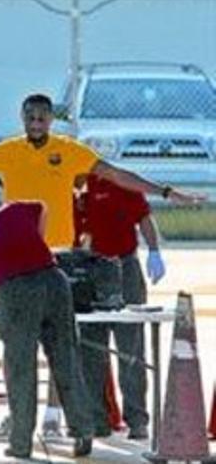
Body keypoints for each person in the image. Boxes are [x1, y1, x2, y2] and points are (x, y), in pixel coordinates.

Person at [0, 92, 204, 436]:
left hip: (61, 260)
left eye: (42, 118)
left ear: (50, 120)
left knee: (62, 341)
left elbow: (117, 174)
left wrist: (165, 192)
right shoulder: (6, 152)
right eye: (30, 118)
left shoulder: (70, 151)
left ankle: (53, 416)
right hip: (16, 261)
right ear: (22, 118)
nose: (36, 124)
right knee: (18, 341)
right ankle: (19, 416)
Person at [0, 195, 94, 459]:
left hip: (16, 293)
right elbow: (43, 209)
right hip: (54, 281)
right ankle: (83, 430)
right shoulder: (15, 210)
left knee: (20, 368)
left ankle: (21, 443)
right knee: (66, 358)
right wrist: (35, 245)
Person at [74, 174, 163, 440]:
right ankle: (97, 418)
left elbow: (144, 217)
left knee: (130, 346)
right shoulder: (67, 189)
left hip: (124, 266)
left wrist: (154, 250)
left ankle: (137, 418)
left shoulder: (118, 183)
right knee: (90, 347)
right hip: (87, 270)